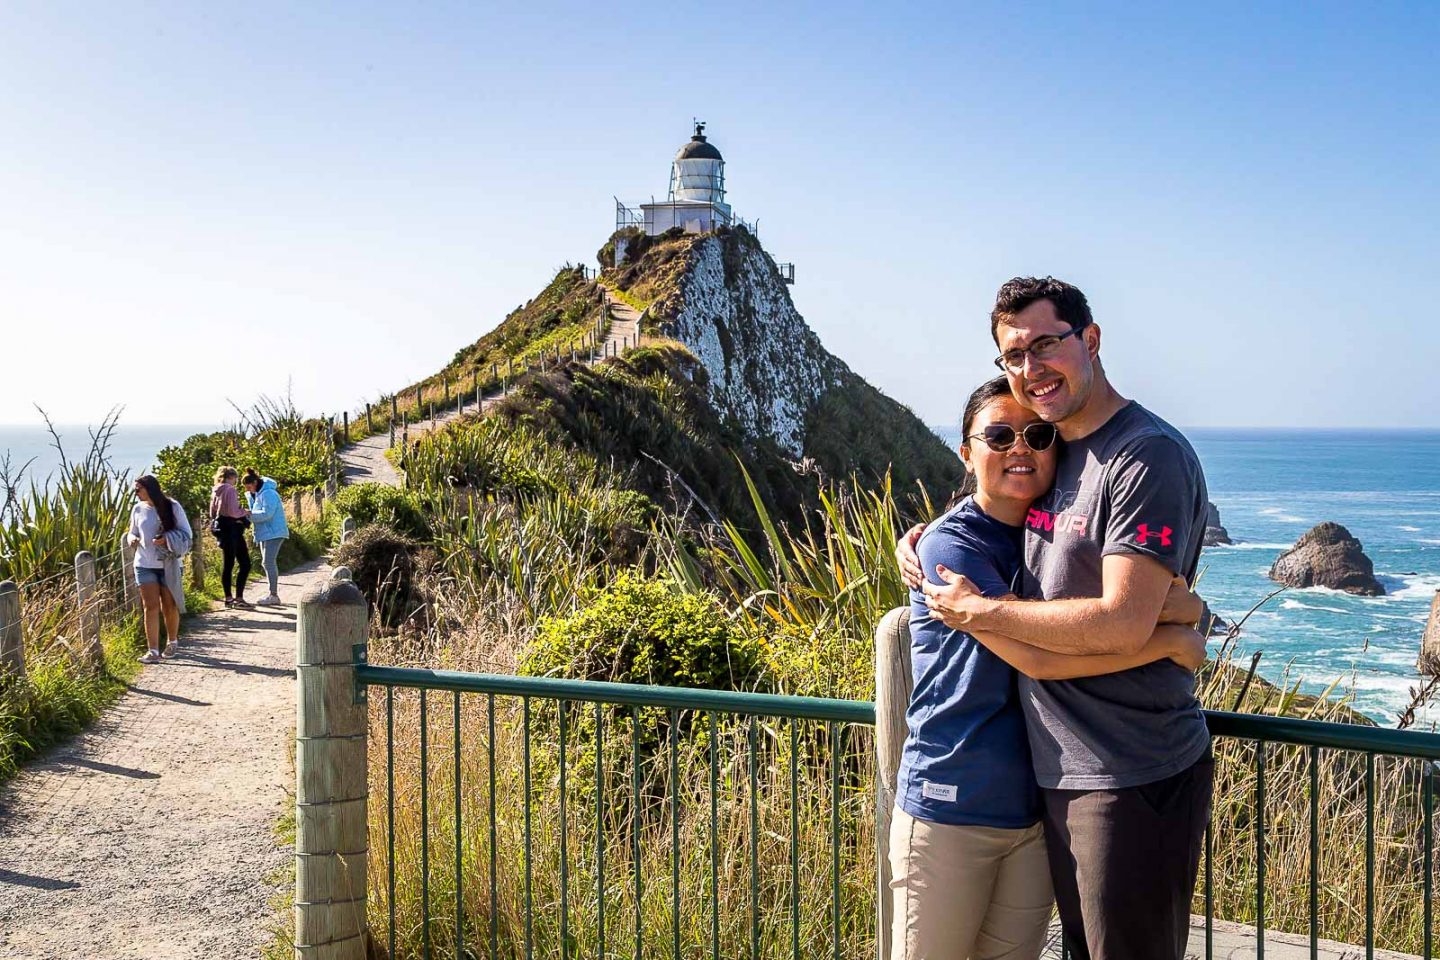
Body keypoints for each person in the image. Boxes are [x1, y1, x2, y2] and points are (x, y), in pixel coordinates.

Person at [897, 277, 1212, 960]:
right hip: (1052, 781)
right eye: (1014, 355)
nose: (1032, 368)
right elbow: (1002, 504)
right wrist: (925, 539)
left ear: (1090, 340)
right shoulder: (1064, 451)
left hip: (1127, 769)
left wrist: (984, 609)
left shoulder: (1141, 454)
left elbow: (1120, 618)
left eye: (1047, 344)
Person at [126, 474, 193, 663]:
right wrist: (132, 539)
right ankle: (153, 651)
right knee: (150, 607)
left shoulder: (172, 506)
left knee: (169, 605)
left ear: (150, 488)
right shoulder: (137, 509)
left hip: (169, 564)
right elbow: (132, 531)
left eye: (138, 489)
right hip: (144, 564)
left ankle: (172, 642)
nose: (136, 493)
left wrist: (166, 540)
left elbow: (187, 534)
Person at [241, 468, 288, 607]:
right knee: (266, 562)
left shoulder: (268, 493)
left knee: (268, 562)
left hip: (274, 532)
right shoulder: (257, 494)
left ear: (255, 482)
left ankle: (273, 595)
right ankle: (272, 593)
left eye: (250, 487)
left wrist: (248, 515)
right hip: (266, 532)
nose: (249, 490)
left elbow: (267, 514)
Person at [209, 466, 252, 608]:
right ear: (231, 477)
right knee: (245, 563)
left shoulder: (216, 490)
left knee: (228, 565)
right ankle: (239, 598)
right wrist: (244, 512)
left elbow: (212, 512)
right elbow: (234, 512)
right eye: (235, 478)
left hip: (222, 529)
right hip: (233, 529)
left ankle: (228, 598)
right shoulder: (230, 490)